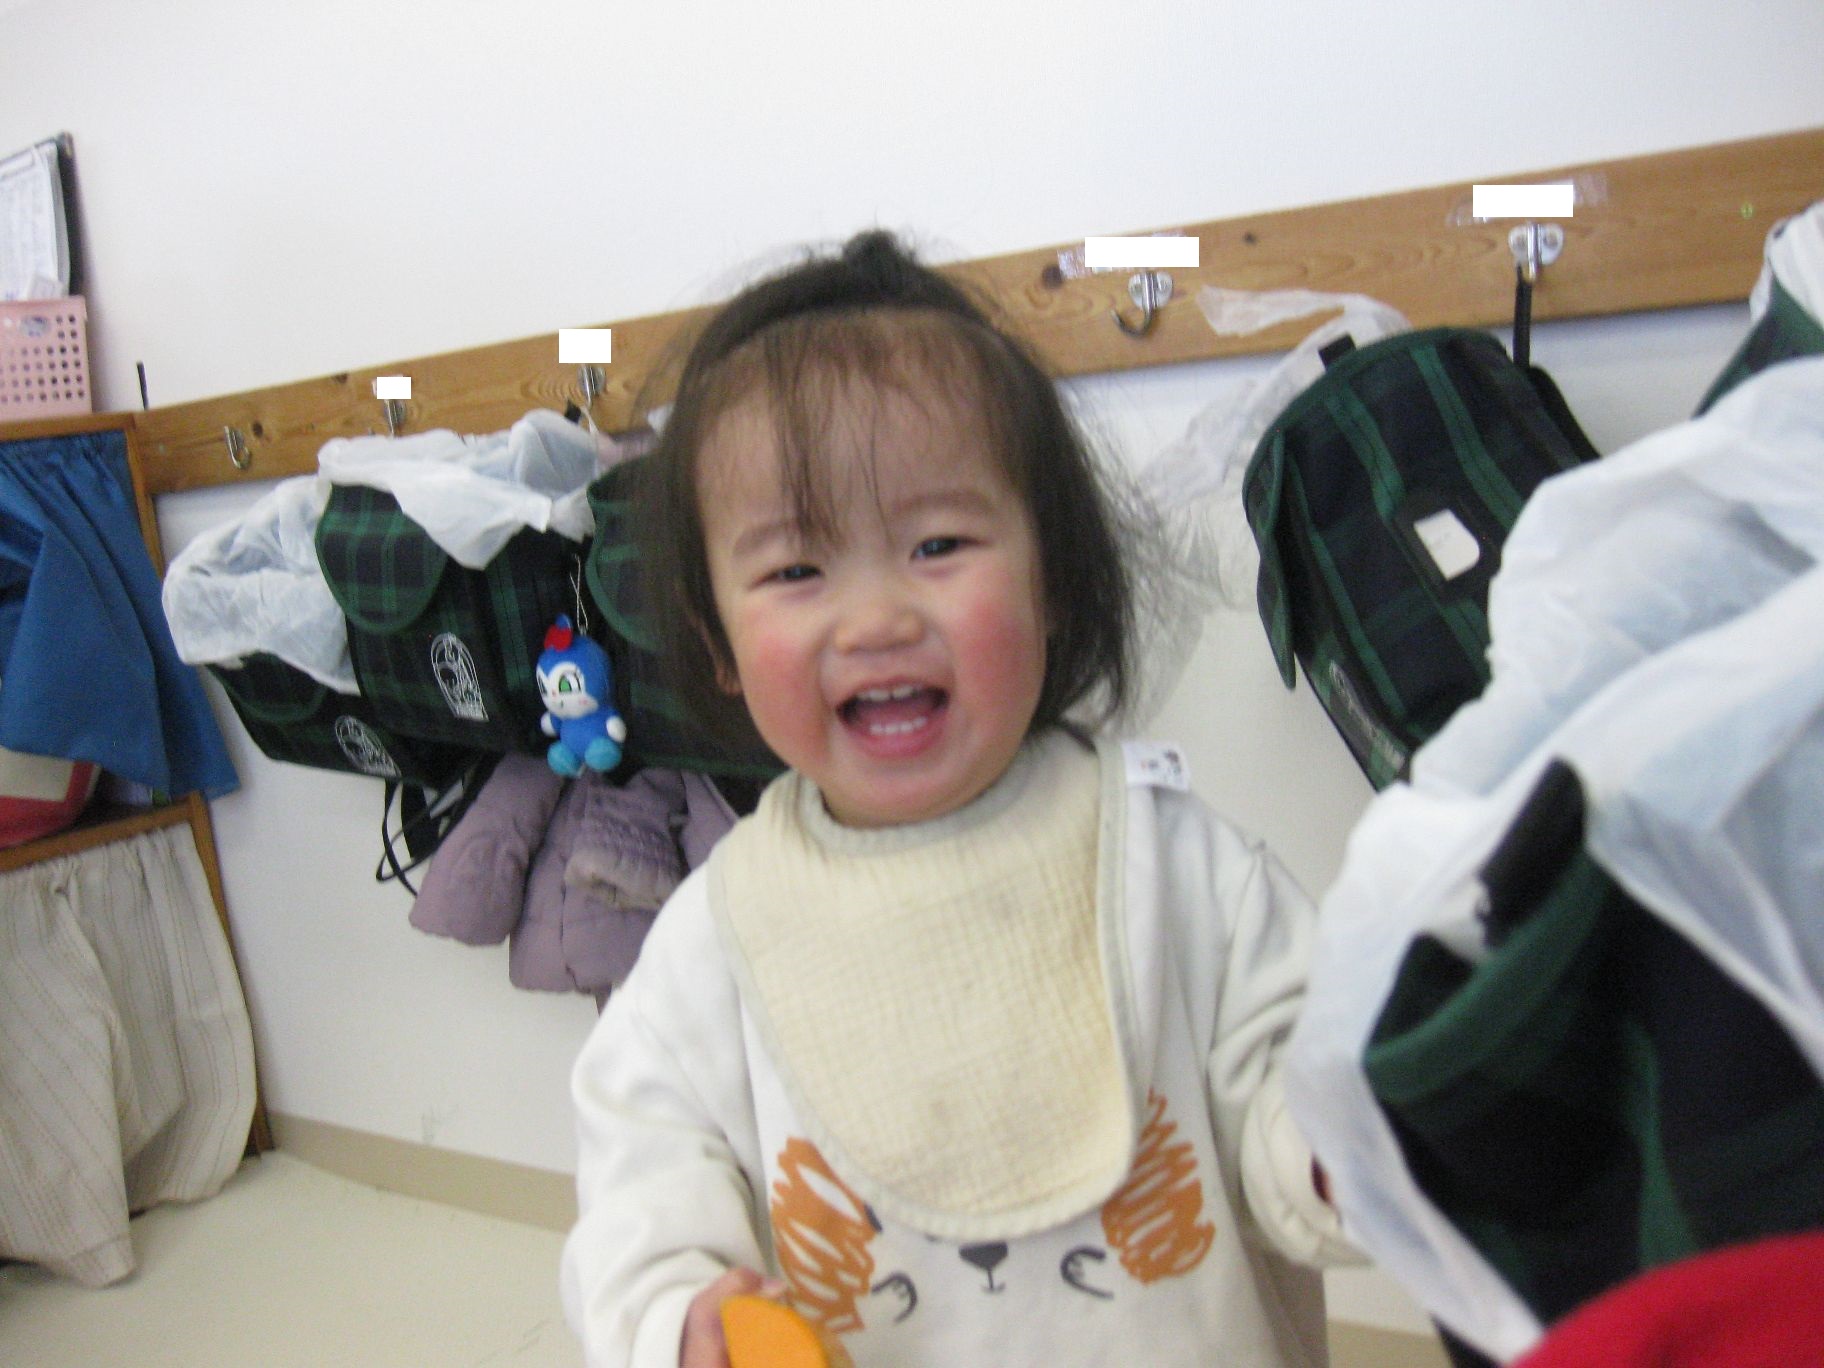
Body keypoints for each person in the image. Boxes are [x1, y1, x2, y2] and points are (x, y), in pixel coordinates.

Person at [560, 230, 1356, 1368]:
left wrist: (1349, 1140)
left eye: (938, 544)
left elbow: (1303, 1104)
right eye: (795, 569)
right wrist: (674, 1318)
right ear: (718, 643)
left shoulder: (1176, 865)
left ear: (1053, 581)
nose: (877, 618)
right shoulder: (714, 941)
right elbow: (640, 1192)